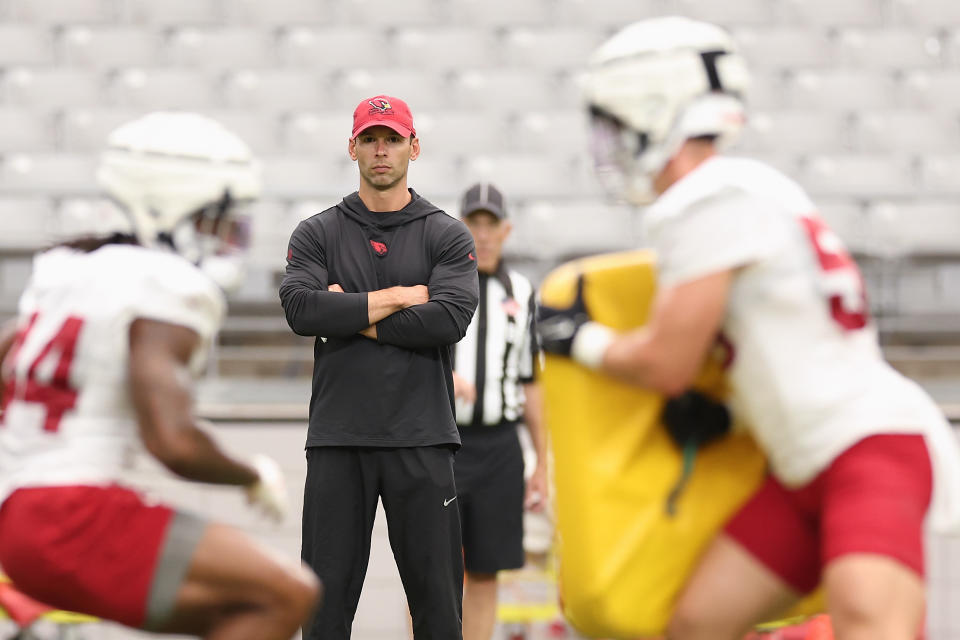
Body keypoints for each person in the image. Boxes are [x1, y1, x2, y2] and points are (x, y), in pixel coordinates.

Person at [536, 16, 960, 640]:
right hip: (802, 467)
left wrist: (579, 339)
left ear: (657, 112)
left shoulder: (709, 198)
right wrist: (729, 416)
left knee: (876, 627)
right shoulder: (748, 190)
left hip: (868, 449)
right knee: (695, 626)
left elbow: (666, 363)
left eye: (617, 126)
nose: (612, 145)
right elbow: (788, 345)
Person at [0, 111, 320, 639]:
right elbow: (172, 442)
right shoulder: (164, 286)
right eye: (214, 220)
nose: (225, 237)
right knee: (288, 592)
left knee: (235, 608)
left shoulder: (68, 267)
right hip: (73, 512)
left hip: (17, 518)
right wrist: (251, 474)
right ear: (169, 207)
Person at [279, 94, 479, 640]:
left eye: (392, 138)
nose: (381, 150)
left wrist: (350, 312)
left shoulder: (446, 233)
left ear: (414, 147)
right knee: (323, 611)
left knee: (438, 611)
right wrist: (399, 297)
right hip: (339, 440)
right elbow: (301, 309)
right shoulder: (317, 232)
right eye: (370, 139)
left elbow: (448, 320)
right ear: (352, 148)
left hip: (422, 438)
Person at [451, 183, 548, 640]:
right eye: (475, 224)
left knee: (487, 570)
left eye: (492, 225)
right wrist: (441, 377)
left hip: (500, 447)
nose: (484, 235)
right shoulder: (438, 284)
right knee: (433, 568)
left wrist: (541, 462)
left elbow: (532, 380)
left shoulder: (522, 292)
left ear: (506, 230)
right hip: (441, 443)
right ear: (461, 226)